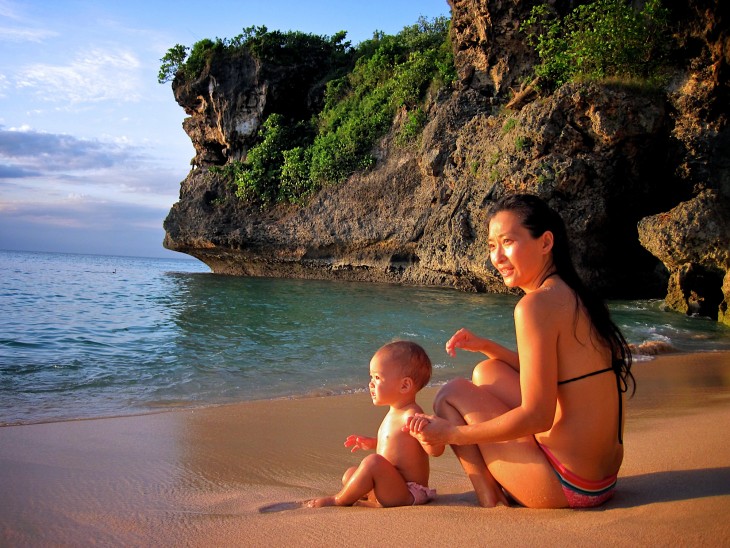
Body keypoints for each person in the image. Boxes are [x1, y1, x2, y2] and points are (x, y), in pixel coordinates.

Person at [405, 194, 634, 509]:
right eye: (491, 246)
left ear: (545, 242)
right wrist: (487, 346)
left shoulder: (534, 305)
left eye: (507, 241)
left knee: (450, 394)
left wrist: (453, 434)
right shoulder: (576, 296)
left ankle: (490, 498)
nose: (496, 257)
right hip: (603, 479)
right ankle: (504, 482)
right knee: (487, 370)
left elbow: (538, 417)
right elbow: (557, 374)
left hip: (568, 484)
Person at [307, 340, 444, 508]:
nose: (370, 384)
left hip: (407, 492)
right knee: (350, 475)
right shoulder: (394, 412)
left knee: (372, 463)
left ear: (404, 385)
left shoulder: (412, 415)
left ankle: (339, 500)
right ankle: (373, 499)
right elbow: (399, 448)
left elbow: (436, 450)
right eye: (371, 377)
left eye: (377, 378)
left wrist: (425, 437)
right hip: (392, 486)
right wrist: (372, 443)